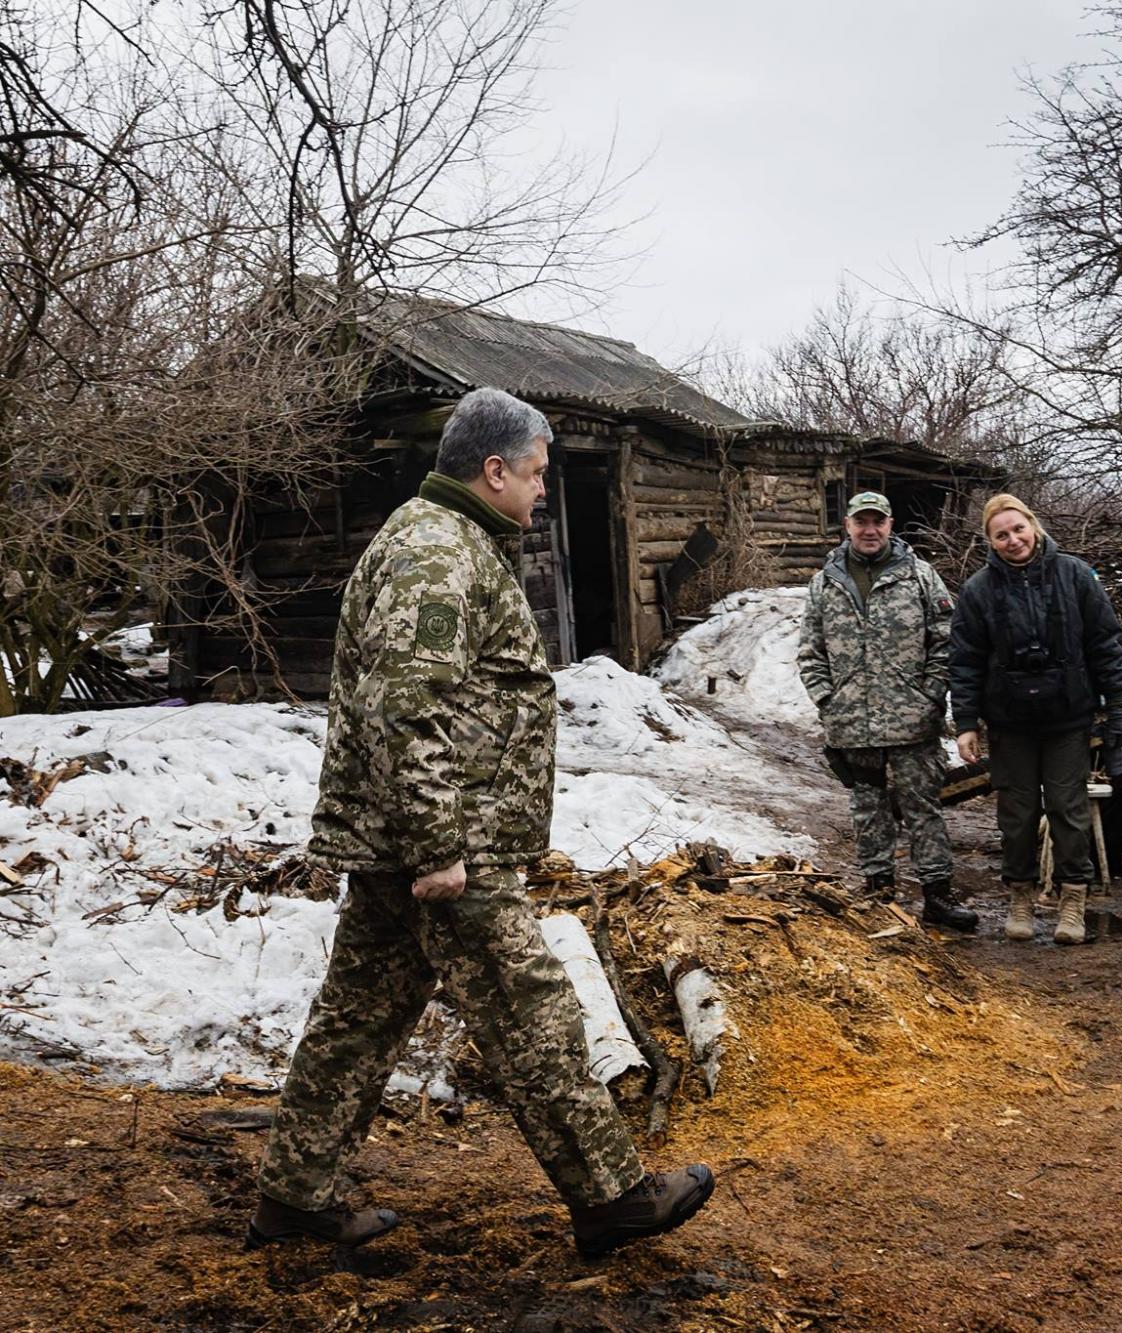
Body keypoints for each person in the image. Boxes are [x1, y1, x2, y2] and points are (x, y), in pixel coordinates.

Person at [252, 388, 712, 1257]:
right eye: (536, 474)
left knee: (359, 1018)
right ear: (492, 470)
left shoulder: (453, 540)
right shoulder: (437, 553)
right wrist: (437, 848)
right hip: (442, 848)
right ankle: (614, 1195)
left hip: (416, 842)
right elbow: (408, 705)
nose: (544, 490)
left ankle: (292, 1196)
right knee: (529, 1009)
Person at [950, 494, 1122, 945]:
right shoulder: (978, 590)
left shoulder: (1074, 576)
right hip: (1009, 722)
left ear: (1034, 526)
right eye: (1001, 535)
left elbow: (1104, 644)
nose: (1013, 541)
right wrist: (966, 721)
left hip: (1068, 718)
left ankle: (1072, 901)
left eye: (1018, 529)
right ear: (990, 542)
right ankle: (1021, 898)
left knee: (1069, 812)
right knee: (1017, 814)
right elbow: (966, 661)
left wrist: (1117, 706)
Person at [796, 491, 972, 930]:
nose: (870, 530)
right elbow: (810, 651)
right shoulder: (826, 583)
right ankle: (878, 894)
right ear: (848, 527)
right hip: (852, 723)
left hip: (912, 721)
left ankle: (937, 896)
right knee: (867, 807)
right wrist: (827, 700)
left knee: (922, 807)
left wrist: (930, 693)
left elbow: (947, 640)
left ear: (891, 525)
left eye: (878, 522)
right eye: (861, 522)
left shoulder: (920, 576)